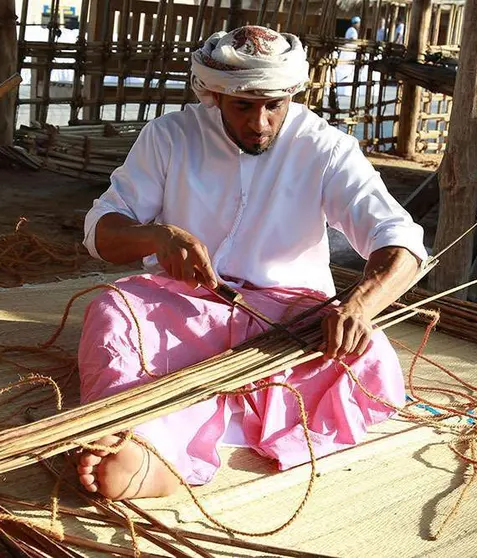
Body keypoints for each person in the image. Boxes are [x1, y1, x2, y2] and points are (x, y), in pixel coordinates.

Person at [76, 25, 426, 501]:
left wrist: (360, 306)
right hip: (183, 310)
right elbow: (102, 232)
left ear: (291, 96)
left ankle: (161, 435)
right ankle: (141, 442)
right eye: (243, 105)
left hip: (288, 320)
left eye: (273, 105)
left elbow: (399, 239)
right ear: (214, 96)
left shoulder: (324, 147)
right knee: (115, 313)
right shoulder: (170, 137)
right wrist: (156, 236)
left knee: (369, 354)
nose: (259, 122)